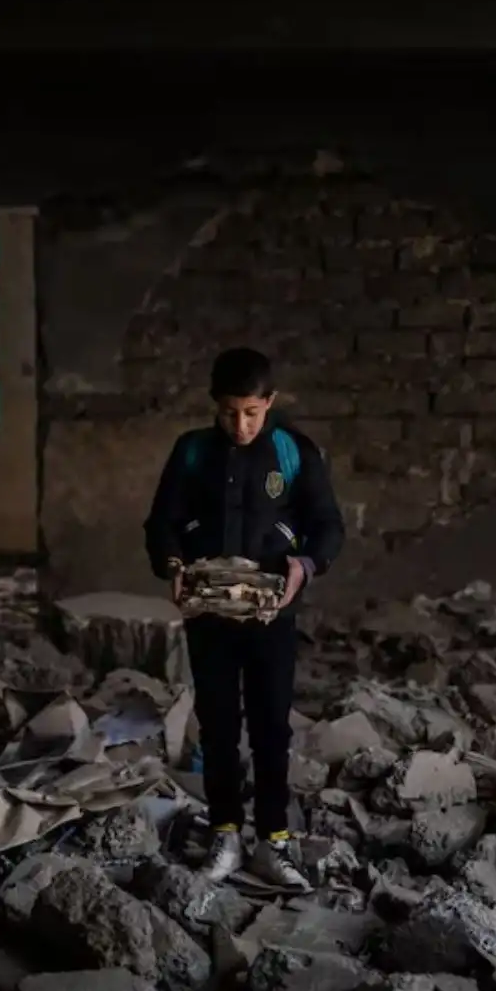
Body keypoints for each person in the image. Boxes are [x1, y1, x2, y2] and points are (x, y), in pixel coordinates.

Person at [143, 347, 346, 889]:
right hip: (210, 614)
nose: (241, 425)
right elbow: (160, 523)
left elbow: (328, 526)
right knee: (218, 726)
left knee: (271, 727)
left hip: (271, 615)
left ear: (270, 403)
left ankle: (272, 841)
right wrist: (173, 565)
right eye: (231, 412)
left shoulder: (292, 450)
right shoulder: (191, 452)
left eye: (252, 412)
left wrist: (303, 567)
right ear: (215, 405)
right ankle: (226, 832)